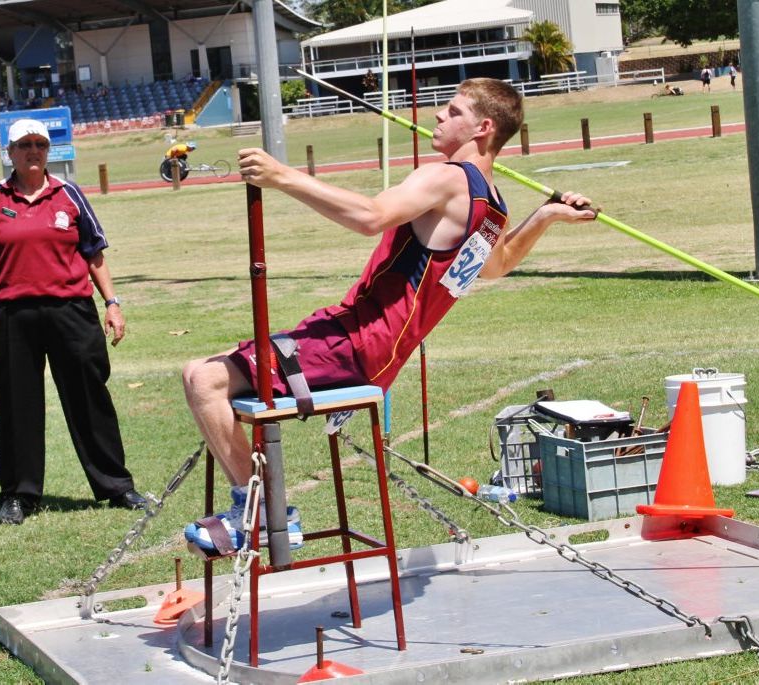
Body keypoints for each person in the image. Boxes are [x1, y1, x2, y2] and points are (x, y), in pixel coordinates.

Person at [181, 78, 595, 553]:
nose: (439, 116)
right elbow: (496, 266)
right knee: (211, 370)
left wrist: (281, 176)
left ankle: (261, 513)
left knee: (203, 378)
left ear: (482, 127)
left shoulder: (446, 177)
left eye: (452, 110)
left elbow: (371, 217)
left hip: (358, 341)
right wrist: (546, 216)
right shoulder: (492, 203)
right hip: (373, 349)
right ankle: (259, 507)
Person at [0, 118, 147, 525]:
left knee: (90, 396)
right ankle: (18, 494)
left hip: (71, 310)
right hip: (13, 314)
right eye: (24, 145)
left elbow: (94, 252)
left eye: (40, 144)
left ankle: (116, 486)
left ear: (48, 150)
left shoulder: (70, 194)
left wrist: (112, 303)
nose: (33, 151)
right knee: (17, 404)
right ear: (9, 152)